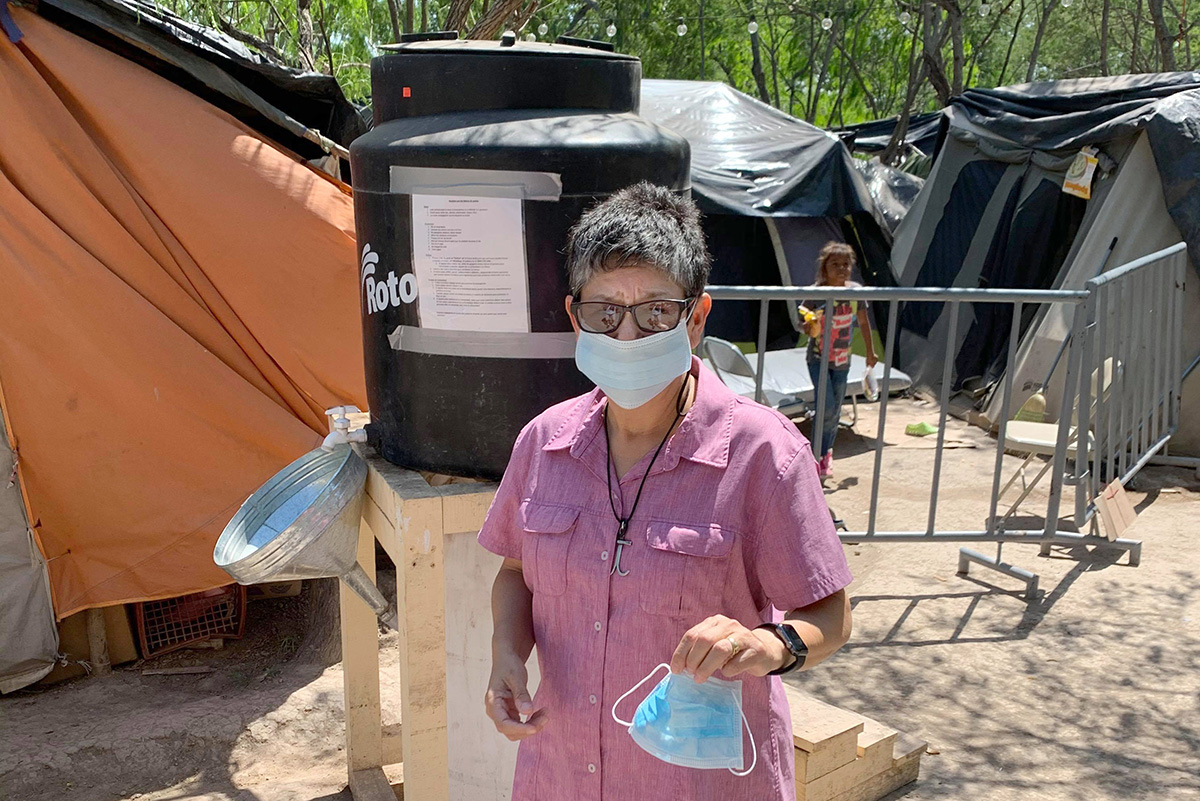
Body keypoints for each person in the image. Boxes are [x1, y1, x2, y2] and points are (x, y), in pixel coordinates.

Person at [478, 183, 853, 801]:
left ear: (697, 316)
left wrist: (768, 644)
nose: (627, 335)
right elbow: (516, 572)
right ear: (575, 317)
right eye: (606, 311)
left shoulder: (763, 453)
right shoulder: (542, 443)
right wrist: (506, 655)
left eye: (656, 310)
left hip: (702, 782)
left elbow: (830, 617)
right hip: (560, 771)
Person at [802, 242, 878, 479]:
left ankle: (826, 454)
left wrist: (870, 352)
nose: (842, 269)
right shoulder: (815, 292)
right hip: (818, 359)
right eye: (835, 264)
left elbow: (864, 324)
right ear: (824, 268)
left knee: (834, 411)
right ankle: (814, 455)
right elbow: (803, 321)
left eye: (846, 264)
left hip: (842, 361)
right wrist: (810, 324)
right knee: (824, 406)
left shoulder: (855, 291)